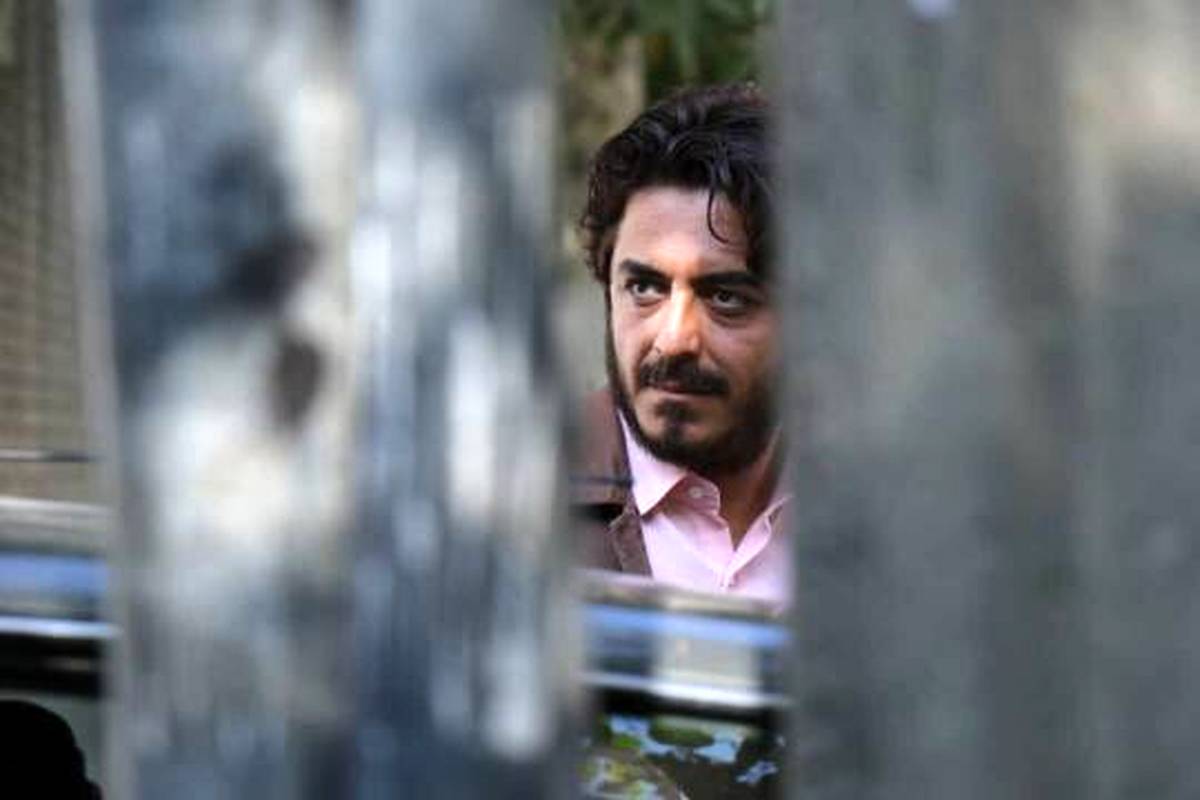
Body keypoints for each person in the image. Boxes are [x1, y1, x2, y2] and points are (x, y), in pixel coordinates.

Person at [572, 83, 789, 607]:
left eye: (725, 298)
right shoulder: (511, 504)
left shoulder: (896, 511)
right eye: (645, 288)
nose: (674, 340)